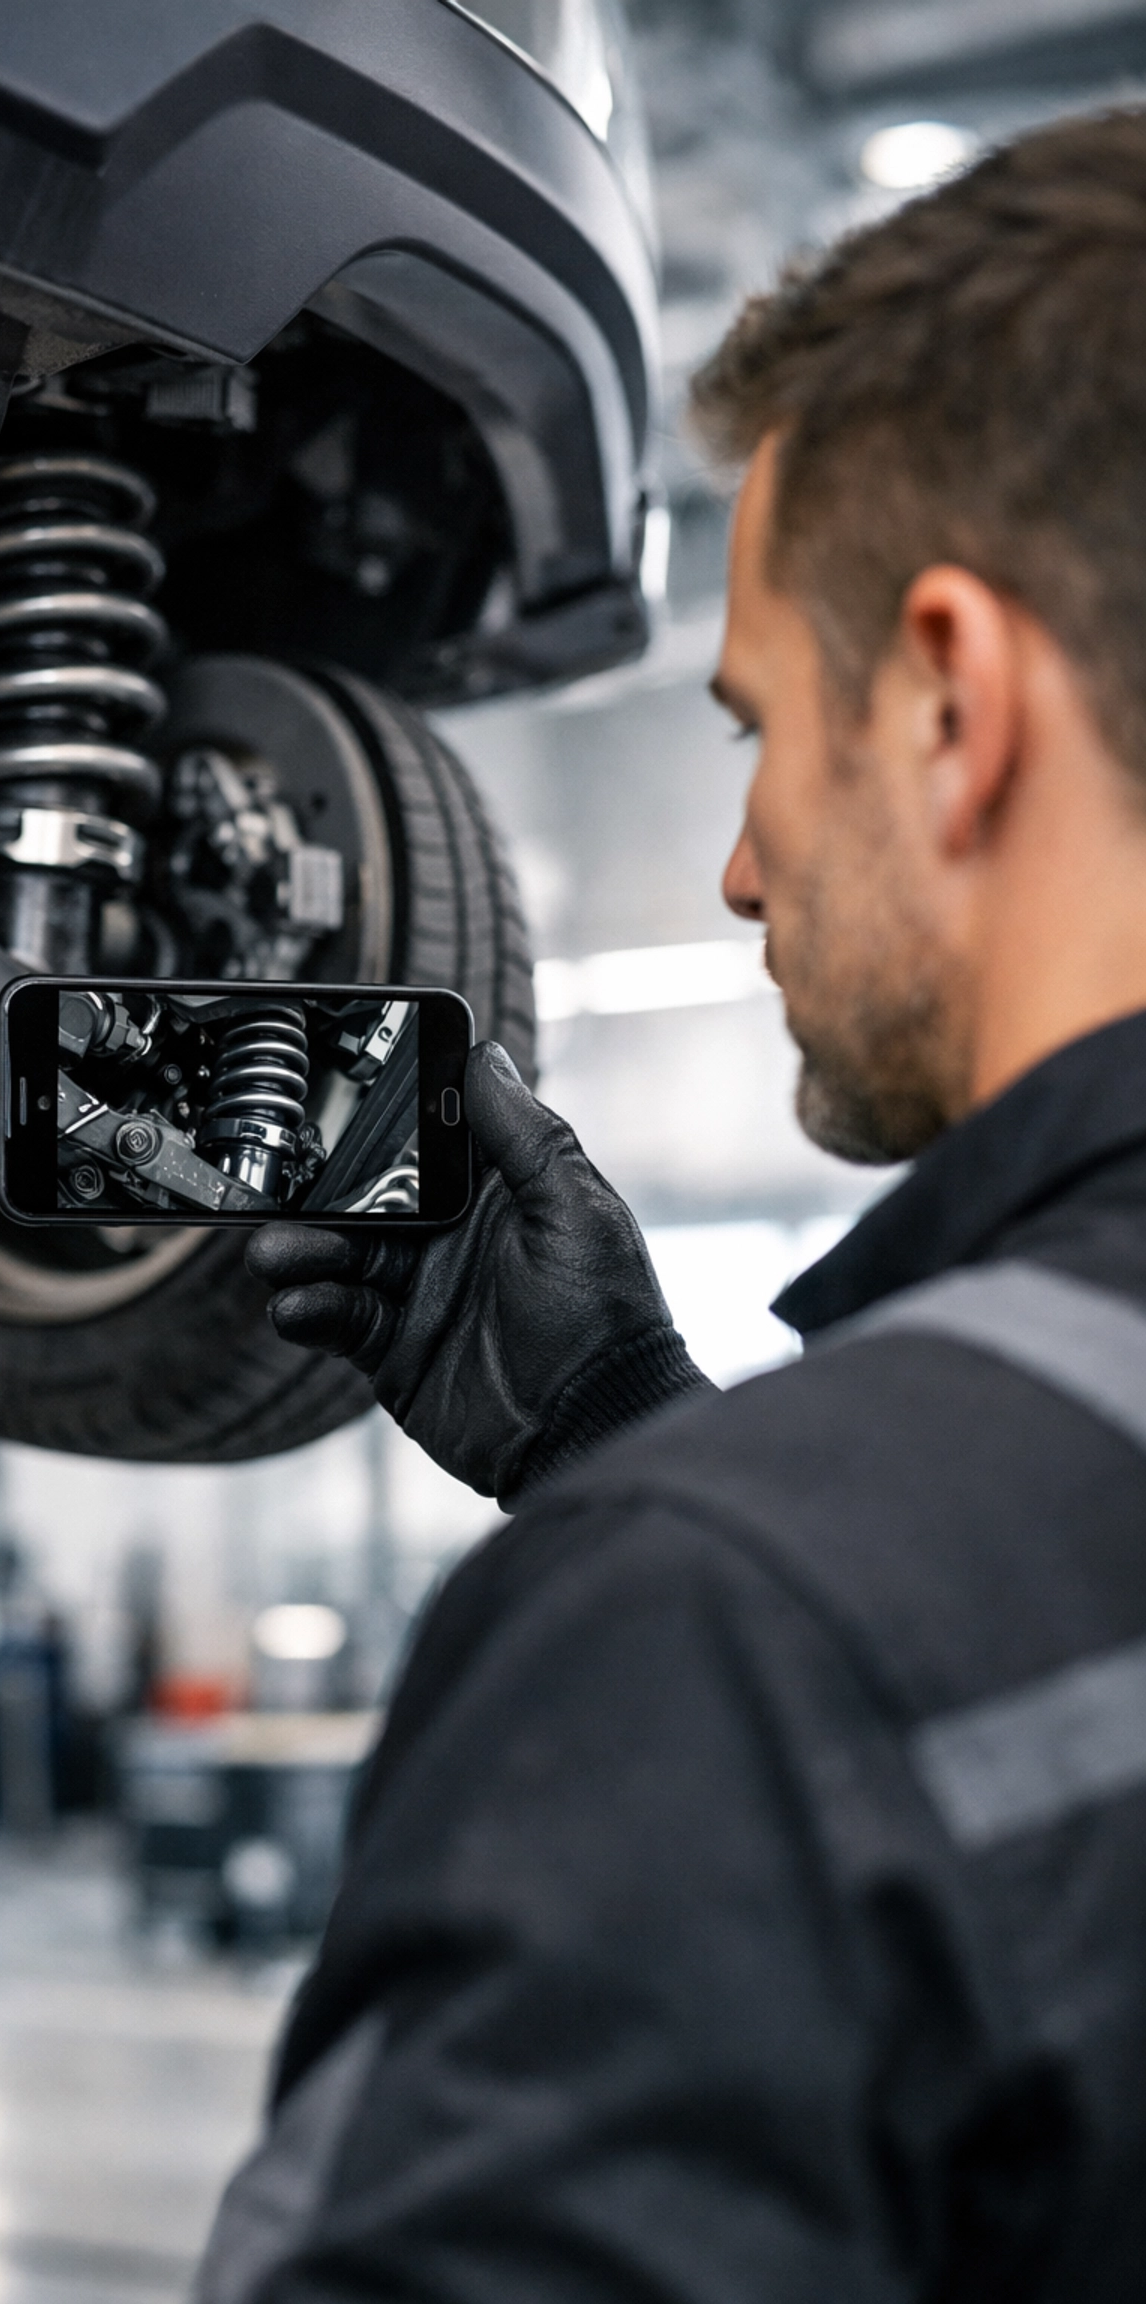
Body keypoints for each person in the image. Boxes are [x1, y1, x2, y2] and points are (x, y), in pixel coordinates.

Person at [203, 111, 1146, 2301]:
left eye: (757, 733)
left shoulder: (729, 1641)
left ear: (949, 700)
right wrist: (622, 1425)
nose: (736, 863)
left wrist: (703, 1533)